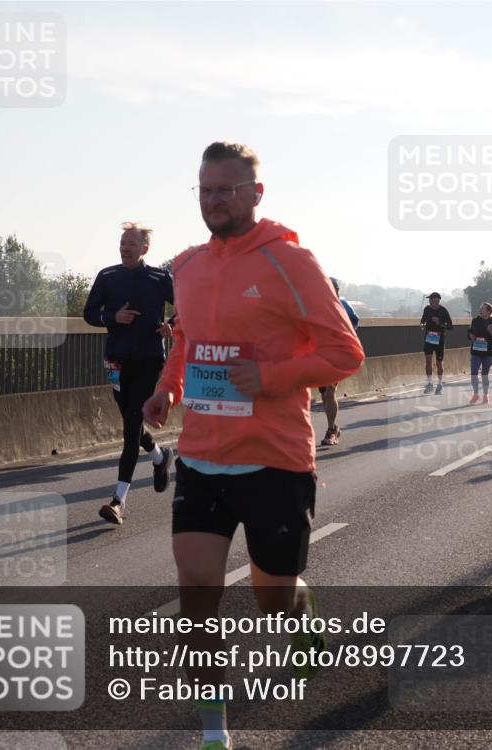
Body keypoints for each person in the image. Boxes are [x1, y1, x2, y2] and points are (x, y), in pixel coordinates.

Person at [143, 142, 364, 750]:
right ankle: (215, 732)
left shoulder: (290, 261)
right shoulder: (185, 266)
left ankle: (301, 619)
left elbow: (346, 353)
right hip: (202, 457)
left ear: (255, 194)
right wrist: (167, 389)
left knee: (275, 600)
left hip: (274, 457)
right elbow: (186, 338)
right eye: (205, 190)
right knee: (196, 599)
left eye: (226, 190)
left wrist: (267, 378)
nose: (214, 201)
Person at [84, 222, 175, 526]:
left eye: (131, 244)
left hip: (149, 360)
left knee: (131, 425)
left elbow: (187, 304)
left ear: (144, 249)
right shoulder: (107, 276)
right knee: (130, 422)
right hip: (116, 360)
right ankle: (160, 456)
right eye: (123, 242)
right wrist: (114, 317)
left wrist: (172, 325)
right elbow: (89, 314)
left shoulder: (160, 277)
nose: (125, 247)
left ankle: (118, 501)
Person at [318, 277, 360, 446]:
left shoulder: (342, 304)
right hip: (320, 354)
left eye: (331, 287)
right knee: (324, 396)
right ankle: (333, 426)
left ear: (337, 290)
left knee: (329, 391)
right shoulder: (316, 304)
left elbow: (355, 321)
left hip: (337, 354)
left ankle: (331, 431)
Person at [420, 292, 454, 395]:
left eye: (431, 299)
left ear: (437, 300)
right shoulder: (427, 309)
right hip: (429, 338)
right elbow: (422, 321)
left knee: (439, 363)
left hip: (439, 340)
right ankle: (430, 384)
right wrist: (422, 325)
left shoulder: (443, 310)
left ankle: (439, 384)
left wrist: (440, 323)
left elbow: (451, 326)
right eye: (429, 300)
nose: (430, 301)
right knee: (428, 361)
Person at [467, 302, 492, 404]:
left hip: (488, 352)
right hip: (476, 350)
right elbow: (470, 333)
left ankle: (485, 395)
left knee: (484, 374)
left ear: (489, 311)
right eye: (480, 308)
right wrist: (470, 336)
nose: (480, 310)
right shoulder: (475, 321)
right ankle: (476, 394)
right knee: (473, 373)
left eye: (483, 308)